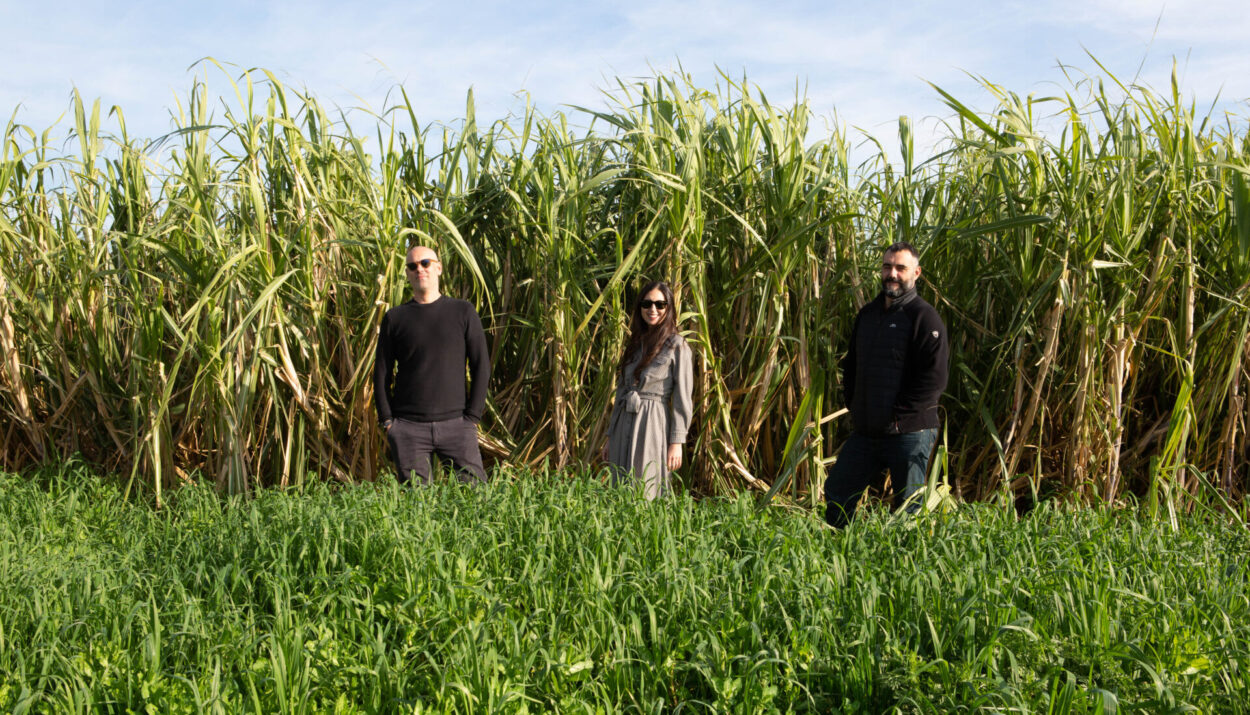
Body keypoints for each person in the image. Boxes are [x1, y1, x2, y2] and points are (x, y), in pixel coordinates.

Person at [825, 241, 949, 527]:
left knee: (909, 506)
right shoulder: (868, 315)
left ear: (916, 273)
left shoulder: (924, 317)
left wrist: (899, 417)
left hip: (909, 431)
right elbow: (852, 365)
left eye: (900, 268)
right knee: (838, 490)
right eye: (887, 266)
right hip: (868, 429)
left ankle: (905, 564)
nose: (892, 273)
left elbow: (935, 379)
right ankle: (839, 551)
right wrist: (855, 406)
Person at [373, 245, 490, 484]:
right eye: (412, 266)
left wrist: (472, 419)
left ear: (438, 268)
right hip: (408, 428)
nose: (420, 269)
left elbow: (481, 365)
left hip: (457, 426)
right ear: (407, 273)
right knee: (416, 509)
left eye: (425, 263)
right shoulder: (395, 318)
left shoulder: (463, 312)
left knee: (476, 498)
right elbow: (382, 372)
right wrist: (388, 422)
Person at [603, 281, 694, 500]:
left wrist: (676, 443)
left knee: (647, 484)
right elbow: (621, 390)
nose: (653, 309)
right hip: (624, 421)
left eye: (660, 304)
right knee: (619, 485)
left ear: (668, 307)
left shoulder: (677, 345)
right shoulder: (635, 343)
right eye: (647, 304)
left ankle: (646, 531)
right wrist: (609, 436)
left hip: (653, 423)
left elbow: (683, 398)